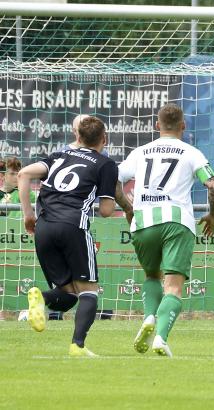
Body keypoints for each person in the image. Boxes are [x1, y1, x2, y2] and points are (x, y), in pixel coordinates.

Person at [115, 103, 214, 357]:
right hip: (177, 221)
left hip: (143, 221)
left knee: (152, 276)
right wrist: (213, 215)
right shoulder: (191, 152)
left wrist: (128, 207)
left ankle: (150, 316)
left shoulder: (139, 152)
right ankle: (161, 338)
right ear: (183, 126)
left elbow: (113, 179)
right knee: (173, 287)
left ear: (157, 125)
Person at [18, 116, 118, 357]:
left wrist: (28, 214)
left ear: (78, 137)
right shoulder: (105, 164)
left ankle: (40, 298)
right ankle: (77, 346)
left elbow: (23, 174)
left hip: (43, 227)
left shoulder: (58, 157)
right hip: (73, 226)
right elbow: (106, 211)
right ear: (104, 139)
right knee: (89, 291)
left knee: (70, 294)